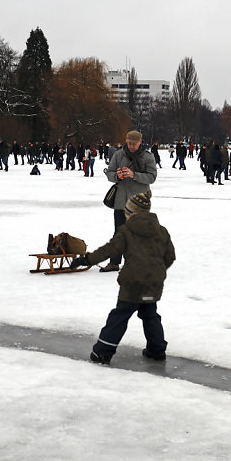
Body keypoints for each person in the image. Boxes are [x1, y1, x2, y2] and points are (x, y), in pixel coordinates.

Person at [70, 191, 175, 364]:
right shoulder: (161, 231)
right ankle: (157, 350)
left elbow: (108, 251)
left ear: (132, 213)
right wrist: (156, 271)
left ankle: (102, 351)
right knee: (150, 314)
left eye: (127, 212)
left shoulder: (126, 231)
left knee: (120, 315)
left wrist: (86, 259)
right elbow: (170, 256)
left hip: (133, 284)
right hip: (153, 284)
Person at [99, 130, 158, 272]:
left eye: (134, 144)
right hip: (120, 201)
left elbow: (152, 177)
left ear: (140, 142)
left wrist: (134, 175)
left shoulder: (148, 157)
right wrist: (117, 176)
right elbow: (110, 173)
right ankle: (114, 262)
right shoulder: (119, 154)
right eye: (129, 143)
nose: (131, 146)